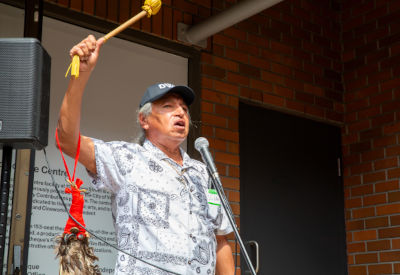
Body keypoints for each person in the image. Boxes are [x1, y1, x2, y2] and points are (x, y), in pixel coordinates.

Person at [57, 35, 235, 275]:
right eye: (168, 107)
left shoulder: (202, 172)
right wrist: (81, 75)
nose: (180, 113)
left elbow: (220, 240)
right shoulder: (128, 158)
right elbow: (68, 140)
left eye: (184, 108)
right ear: (144, 120)